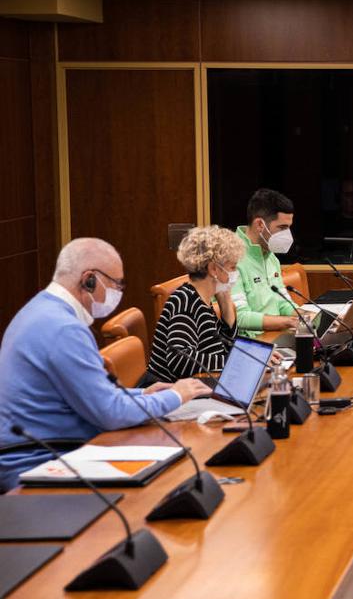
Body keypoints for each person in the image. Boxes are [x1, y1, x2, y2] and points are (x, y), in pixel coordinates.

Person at [0, 239, 211, 491]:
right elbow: (110, 413)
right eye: (116, 284)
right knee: (165, 486)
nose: (118, 293)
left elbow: (91, 393)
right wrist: (177, 395)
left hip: (51, 451)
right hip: (38, 463)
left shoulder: (41, 310)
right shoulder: (63, 329)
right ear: (89, 279)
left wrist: (142, 393)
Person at [147, 226, 244, 384]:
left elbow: (224, 347)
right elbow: (180, 359)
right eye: (232, 267)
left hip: (195, 384)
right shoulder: (185, 302)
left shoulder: (204, 300)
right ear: (213, 269)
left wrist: (226, 302)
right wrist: (234, 361)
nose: (235, 273)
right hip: (168, 393)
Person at [232, 188, 300, 336]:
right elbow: (240, 318)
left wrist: (307, 316)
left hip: (277, 336)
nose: (287, 235)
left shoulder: (271, 257)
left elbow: (282, 304)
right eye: (282, 228)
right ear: (259, 225)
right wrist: (288, 322)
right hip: (249, 346)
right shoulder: (229, 258)